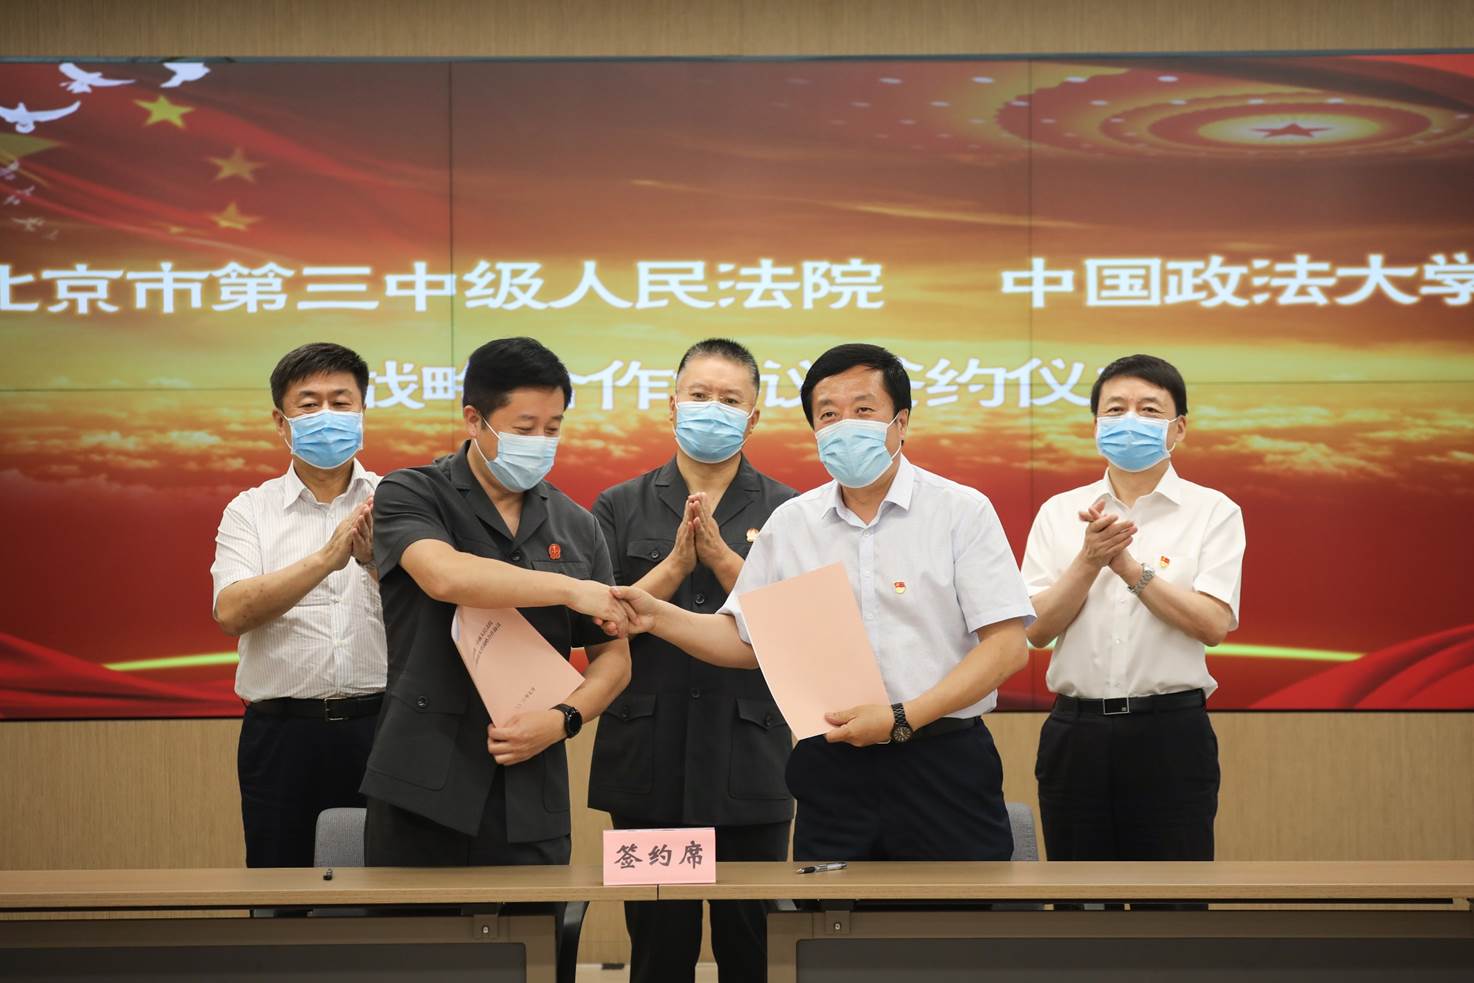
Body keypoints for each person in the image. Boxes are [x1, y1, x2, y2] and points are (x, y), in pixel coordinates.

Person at [614, 343, 1034, 863]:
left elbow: (1007, 648)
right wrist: (656, 615)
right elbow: (748, 641)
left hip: (943, 757)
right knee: (829, 911)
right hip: (832, 765)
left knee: (951, 910)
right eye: (829, 414)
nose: (844, 425)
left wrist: (901, 717)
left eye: (864, 410)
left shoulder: (961, 512)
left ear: (901, 422)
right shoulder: (793, 523)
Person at [361, 336, 631, 869]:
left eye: (553, 429)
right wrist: (569, 588)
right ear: (474, 420)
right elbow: (444, 576)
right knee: (410, 922)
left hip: (530, 783)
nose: (541, 442)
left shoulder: (577, 525)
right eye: (524, 429)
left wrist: (563, 720)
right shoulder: (412, 492)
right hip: (422, 776)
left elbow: (614, 661)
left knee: (534, 924)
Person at [591, 339, 797, 983]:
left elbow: (800, 631)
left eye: (730, 400)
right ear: (672, 405)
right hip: (650, 758)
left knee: (752, 948)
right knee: (659, 950)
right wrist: (676, 565)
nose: (713, 409)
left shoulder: (791, 511)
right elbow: (596, 622)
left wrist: (725, 561)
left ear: (753, 418)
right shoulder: (618, 505)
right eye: (699, 395)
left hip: (751, 759)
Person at [1022, 353, 1244, 865]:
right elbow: (1035, 630)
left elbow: (1212, 624)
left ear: (1178, 427)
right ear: (1095, 425)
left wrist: (1126, 567)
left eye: (1148, 410)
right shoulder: (1059, 512)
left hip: (1170, 733)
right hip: (1075, 732)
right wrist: (1089, 560)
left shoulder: (1213, 511)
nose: (1130, 421)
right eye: (1115, 409)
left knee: (1173, 897)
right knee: (1078, 897)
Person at [210, 341, 384, 868]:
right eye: (309, 404)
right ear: (281, 422)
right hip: (282, 734)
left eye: (341, 402)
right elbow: (231, 612)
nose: (327, 416)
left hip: (383, 728)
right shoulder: (249, 510)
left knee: (389, 889)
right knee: (279, 887)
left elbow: (436, 610)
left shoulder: (397, 499)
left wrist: (373, 564)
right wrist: (328, 558)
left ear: (362, 411)